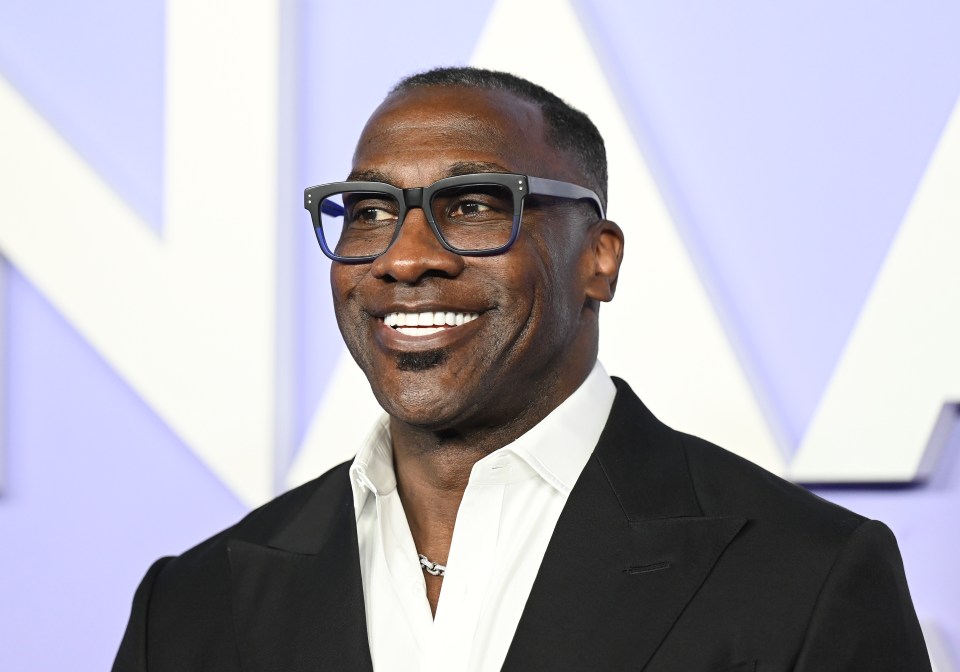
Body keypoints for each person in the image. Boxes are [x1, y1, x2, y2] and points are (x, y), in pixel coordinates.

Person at [113, 67, 931, 671]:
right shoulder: (188, 608)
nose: (405, 259)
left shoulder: (807, 575)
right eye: (370, 212)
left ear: (598, 260)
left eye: (472, 207)